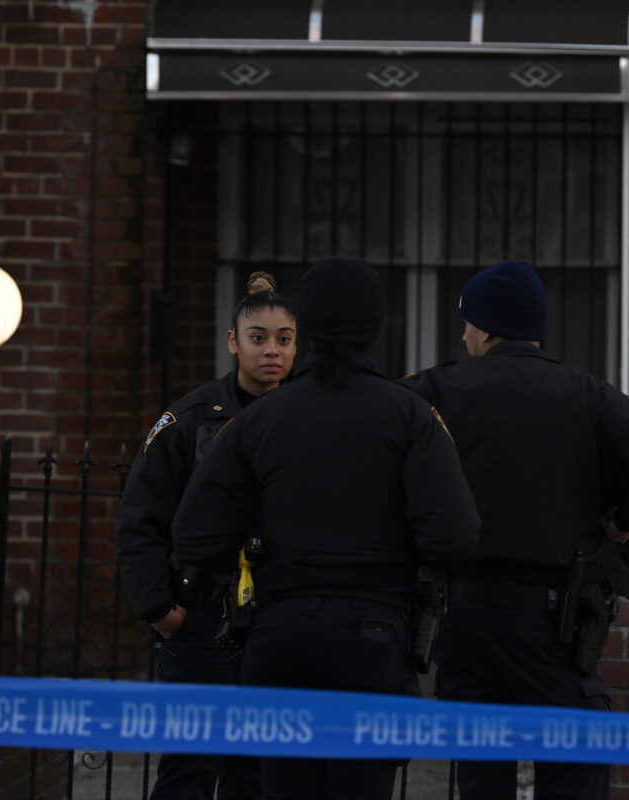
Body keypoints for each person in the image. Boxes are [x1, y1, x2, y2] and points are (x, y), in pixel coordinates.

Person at [172, 256, 480, 800]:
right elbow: (454, 534)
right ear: (376, 325)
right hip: (374, 635)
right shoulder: (408, 415)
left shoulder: (260, 418)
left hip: (278, 633)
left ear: (306, 328)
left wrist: (261, 544)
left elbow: (196, 534)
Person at [400, 259, 629, 800]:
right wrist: (621, 523)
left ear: (489, 329)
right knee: (573, 773)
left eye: (467, 323)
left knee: (479, 779)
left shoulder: (435, 389)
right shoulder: (584, 393)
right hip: (553, 622)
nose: (463, 334)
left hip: (464, 617)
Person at [115, 272, 297, 800]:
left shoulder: (306, 417)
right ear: (233, 342)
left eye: (284, 339)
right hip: (201, 614)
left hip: (278, 614)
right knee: (190, 766)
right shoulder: (190, 420)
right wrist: (160, 609)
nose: (272, 351)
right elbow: (139, 518)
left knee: (258, 770)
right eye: (258, 338)